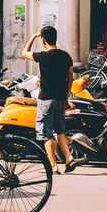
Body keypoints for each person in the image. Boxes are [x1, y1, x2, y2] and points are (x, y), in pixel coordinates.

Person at [22, 26, 78, 174]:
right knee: (60, 130)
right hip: (60, 99)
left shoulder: (43, 56)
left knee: (46, 133)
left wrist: (33, 37)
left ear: (43, 40)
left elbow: (24, 53)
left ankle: (53, 165)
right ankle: (68, 156)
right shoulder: (66, 56)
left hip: (45, 100)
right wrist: (66, 97)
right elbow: (70, 78)